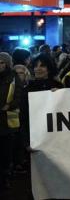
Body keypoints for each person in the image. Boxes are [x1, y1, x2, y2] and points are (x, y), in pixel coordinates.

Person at [0, 52, 19, 192]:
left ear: (7, 64)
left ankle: (5, 177)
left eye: (2, 62)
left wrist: (9, 105)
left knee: (6, 153)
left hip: (7, 121)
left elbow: (18, 96)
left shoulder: (13, 77)